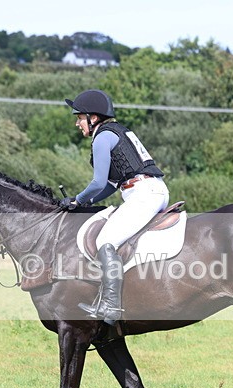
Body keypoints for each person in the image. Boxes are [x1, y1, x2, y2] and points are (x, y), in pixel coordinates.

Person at [60, 89, 169, 324]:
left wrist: (77, 199)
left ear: (93, 117)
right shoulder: (119, 131)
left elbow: (98, 182)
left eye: (79, 117)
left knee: (104, 241)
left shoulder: (102, 137)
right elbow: (110, 185)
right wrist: (88, 202)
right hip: (152, 190)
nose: (77, 123)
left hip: (143, 194)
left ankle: (110, 306)